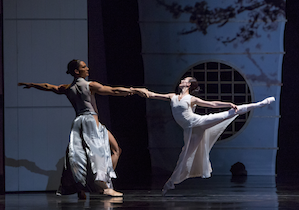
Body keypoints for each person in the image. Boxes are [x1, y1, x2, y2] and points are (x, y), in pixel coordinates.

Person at [18, 59, 148, 198]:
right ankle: (104, 186)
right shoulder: (90, 85)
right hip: (91, 122)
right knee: (100, 152)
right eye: (84, 67)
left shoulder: (67, 88)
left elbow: (49, 86)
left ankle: (84, 186)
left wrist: (32, 85)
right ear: (76, 71)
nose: (87, 68)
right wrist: (134, 90)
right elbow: (112, 90)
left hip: (79, 122)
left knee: (89, 154)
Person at [132, 76, 275, 195]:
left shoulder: (191, 98)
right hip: (190, 129)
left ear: (188, 84)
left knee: (229, 113)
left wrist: (228, 104)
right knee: (185, 156)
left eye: (184, 80)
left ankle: (260, 104)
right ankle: (169, 185)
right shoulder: (172, 97)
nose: (182, 80)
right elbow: (152, 95)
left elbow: (211, 104)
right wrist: (135, 90)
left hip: (198, 122)